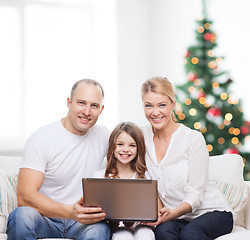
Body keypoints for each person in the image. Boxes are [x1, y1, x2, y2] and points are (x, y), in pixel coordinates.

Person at [7, 79, 111, 240]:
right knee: (21, 216)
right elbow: (24, 196)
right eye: (81, 103)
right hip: (46, 218)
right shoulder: (42, 138)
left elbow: (132, 156)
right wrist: (71, 212)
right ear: (69, 103)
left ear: (101, 109)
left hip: (83, 223)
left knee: (100, 229)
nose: (87, 111)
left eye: (94, 106)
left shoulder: (104, 136)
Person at [140, 77, 234, 240]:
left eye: (162, 105)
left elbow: (195, 194)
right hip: (178, 218)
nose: (155, 112)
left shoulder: (193, 139)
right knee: (162, 232)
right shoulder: (141, 137)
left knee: (190, 234)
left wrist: (174, 212)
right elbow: (144, 179)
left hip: (212, 212)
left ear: (173, 104)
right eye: (149, 106)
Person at [93, 122, 155, 240]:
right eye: (120, 144)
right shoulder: (100, 177)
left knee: (145, 234)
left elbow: (155, 209)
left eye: (132, 145)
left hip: (141, 226)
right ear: (112, 147)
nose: (126, 149)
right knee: (123, 236)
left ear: (139, 149)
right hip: (116, 227)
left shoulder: (146, 176)